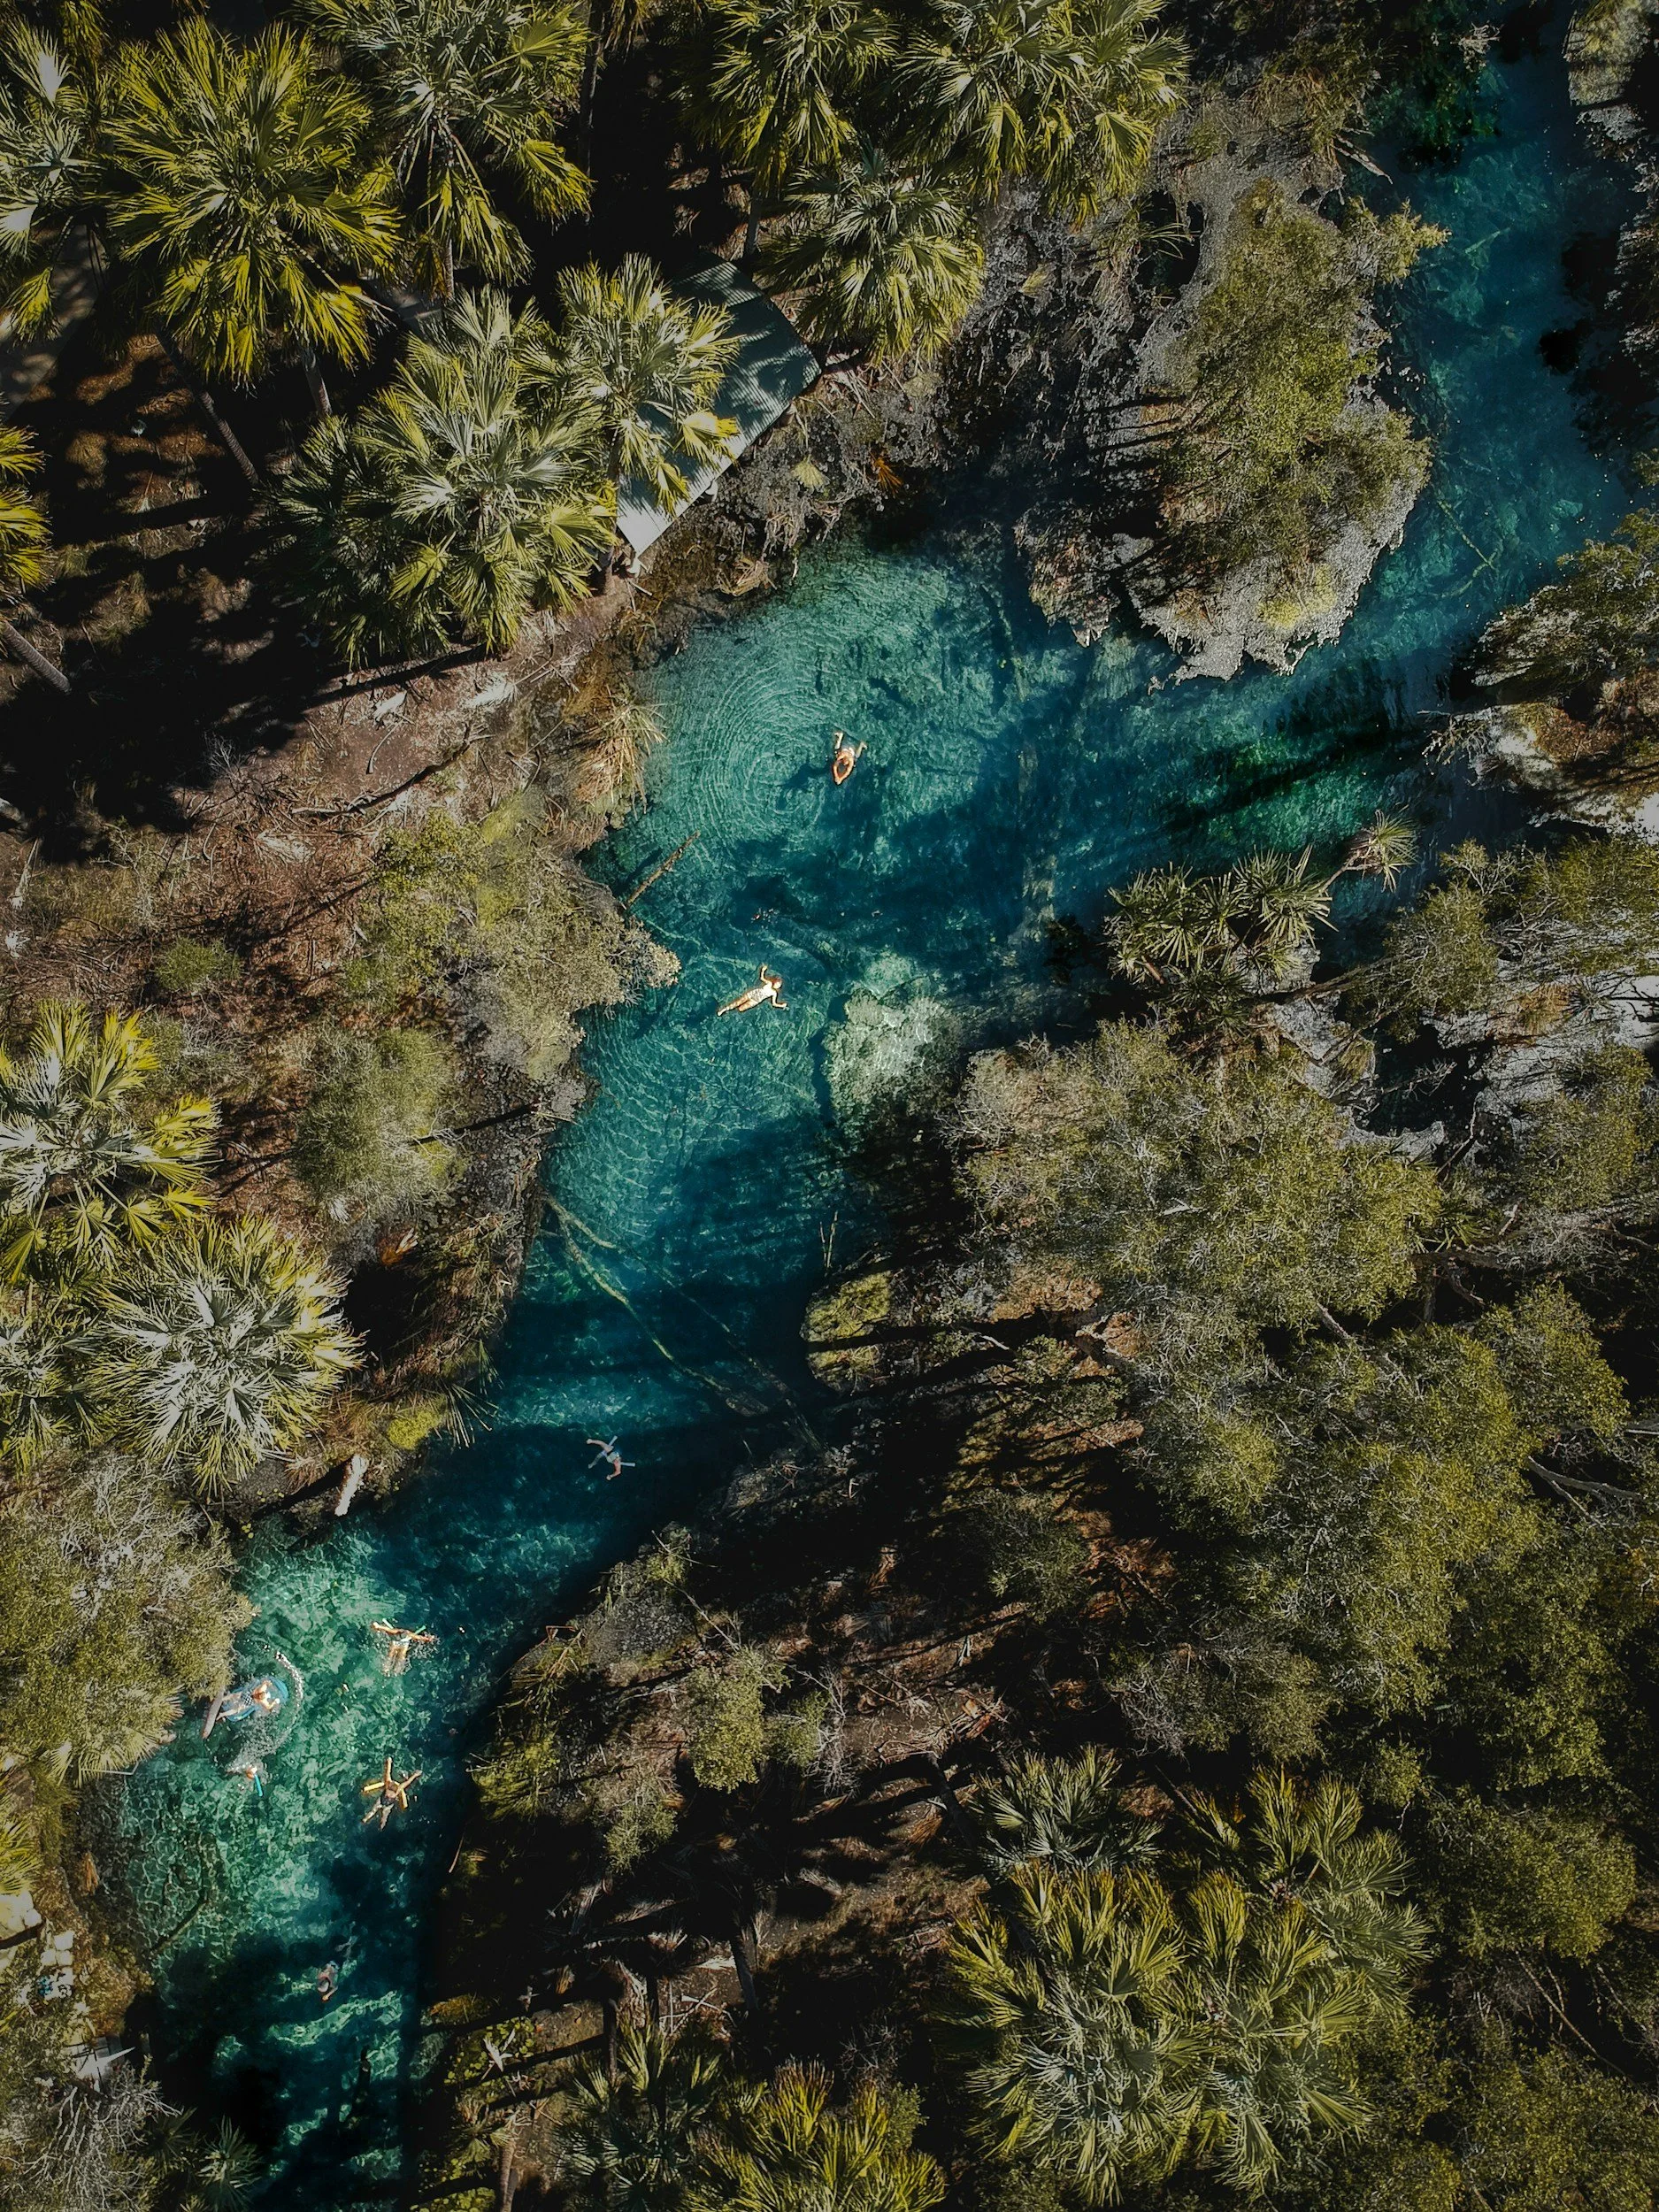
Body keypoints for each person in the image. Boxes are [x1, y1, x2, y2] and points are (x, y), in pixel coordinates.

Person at [360, 1755, 422, 1829]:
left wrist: (389, 1762)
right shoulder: (398, 1789)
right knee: (384, 1816)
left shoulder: (388, 1783)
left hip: (381, 1800)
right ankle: (381, 1827)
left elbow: (387, 1772)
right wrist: (415, 1775)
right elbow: (408, 1782)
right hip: (389, 1804)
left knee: (373, 1811)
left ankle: (365, 1819)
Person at [371, 1621, 437, 1677]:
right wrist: (377, 1626)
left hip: (404, 1644)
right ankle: (386, 1669)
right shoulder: (396, 1631)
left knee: (402, 1655)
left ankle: (397, 1670)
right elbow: (386, 1629)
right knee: (391, 1653)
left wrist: (428, 1639)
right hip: (395, 1642)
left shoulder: (409, 1634)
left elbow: (419, 1637)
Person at [718, 965, 787, 1017]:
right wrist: (763, 970)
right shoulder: (769, 983)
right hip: (752, 993)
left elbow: (774, 1003)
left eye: (779, 985)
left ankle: (730, 1011)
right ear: (774, 982)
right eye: (777, 984)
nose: (777, 986)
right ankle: (724, 1009)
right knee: (738, 1002)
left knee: (741, 1009)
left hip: (756, 1000)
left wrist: (781, 1006)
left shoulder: (774, 993)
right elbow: (762, 978)